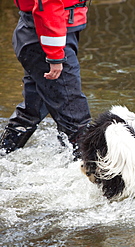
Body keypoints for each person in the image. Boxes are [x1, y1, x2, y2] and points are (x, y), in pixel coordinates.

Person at [0, 0, 91, 157]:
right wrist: (55, 57)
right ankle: (90, 174)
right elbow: (48, 5)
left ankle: (4, 153)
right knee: (76, 119)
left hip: (44, 33)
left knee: (32, 111)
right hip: (45, 37)